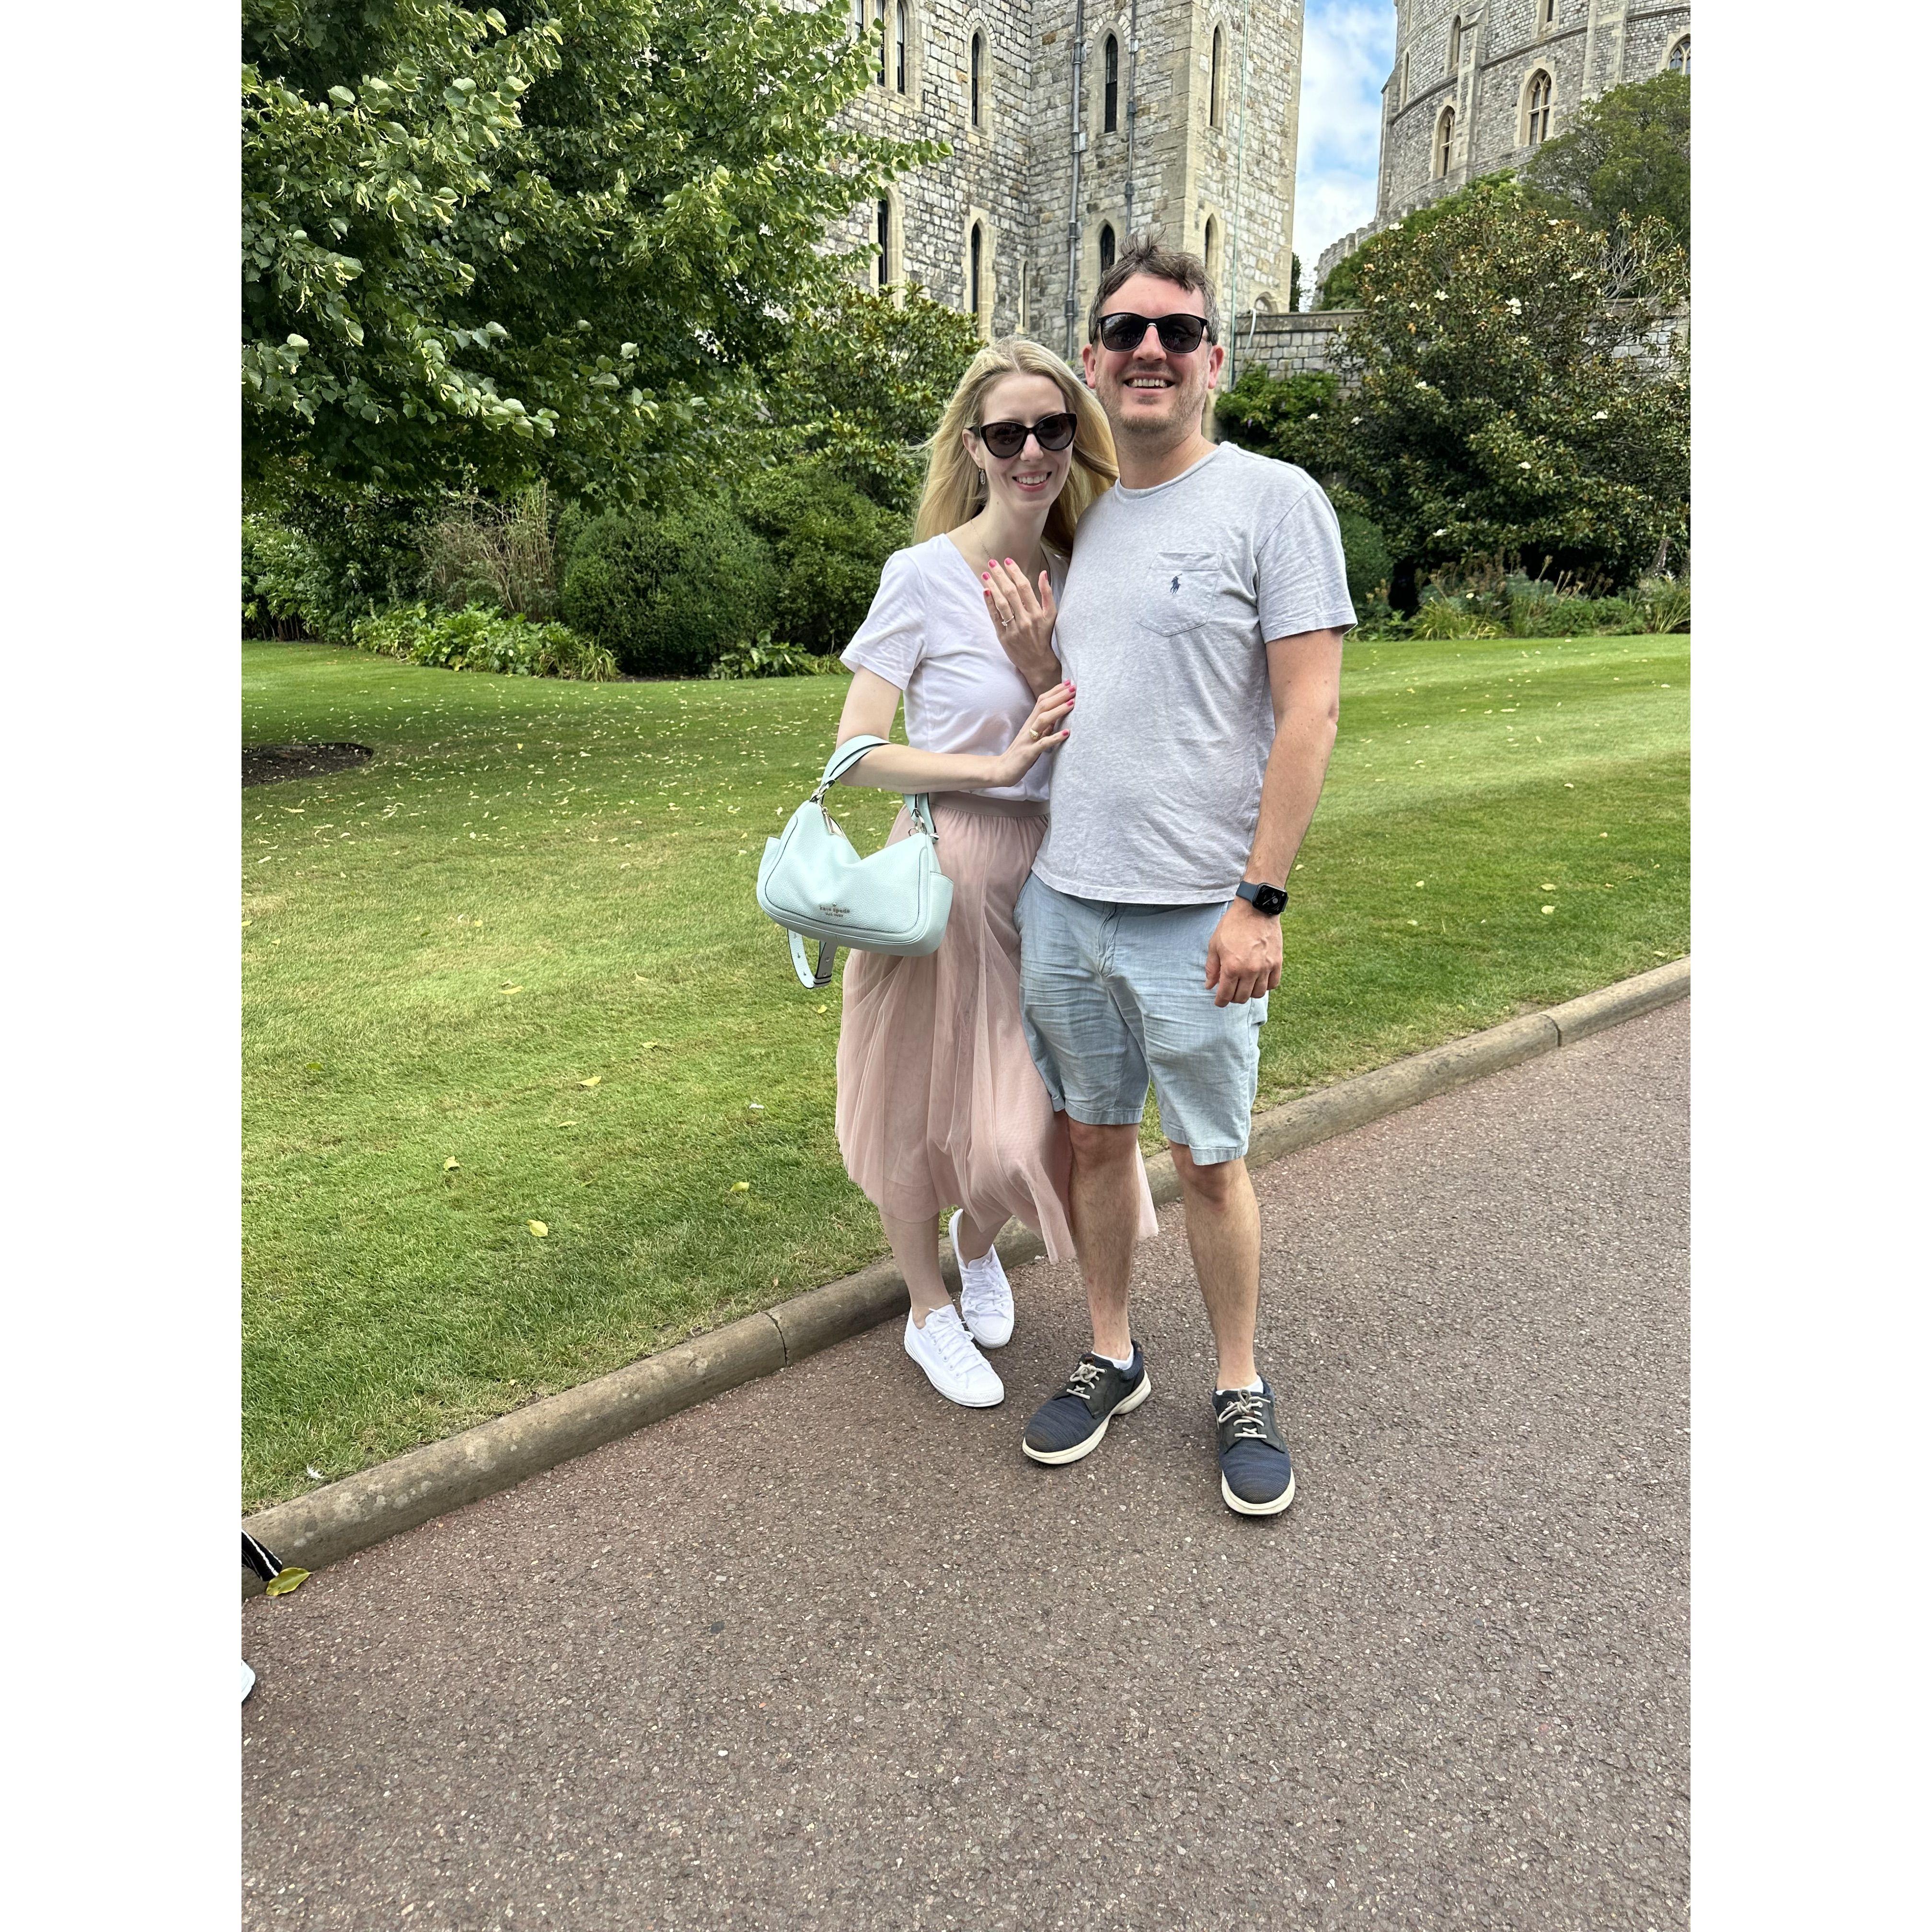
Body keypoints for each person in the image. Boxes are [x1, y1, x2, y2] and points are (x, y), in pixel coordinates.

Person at [986, 238, 1356, 1514]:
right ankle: (1109, 1352)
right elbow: (1097, 712)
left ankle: (1239, 1381)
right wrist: (1040, 667)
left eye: (1179, 333)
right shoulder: (1084, 525)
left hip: (1201, 915)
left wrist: (1260, 901)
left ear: (1213, 361)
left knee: (1208, 1161)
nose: (1151, 352)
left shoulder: (1273, 502)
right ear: (1093, 362)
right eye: (1126, 333)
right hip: (1070, 902)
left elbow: (1309, 713)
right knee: (1094, 1142)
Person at [832, 337, 1159, 1409]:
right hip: (949, 864)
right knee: (918, 1109)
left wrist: (1047, 673)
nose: (1032, 452)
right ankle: (928, 1305)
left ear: (1076, 439)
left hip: (1056, 877)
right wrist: (996, 761)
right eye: (1009, 433)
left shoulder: (1084, 577)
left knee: (1032, 1123)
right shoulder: (922, 577)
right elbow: (856, 751)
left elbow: (1115, 743)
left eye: (1053, 429)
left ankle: (981, 1249)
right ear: (975, 448)